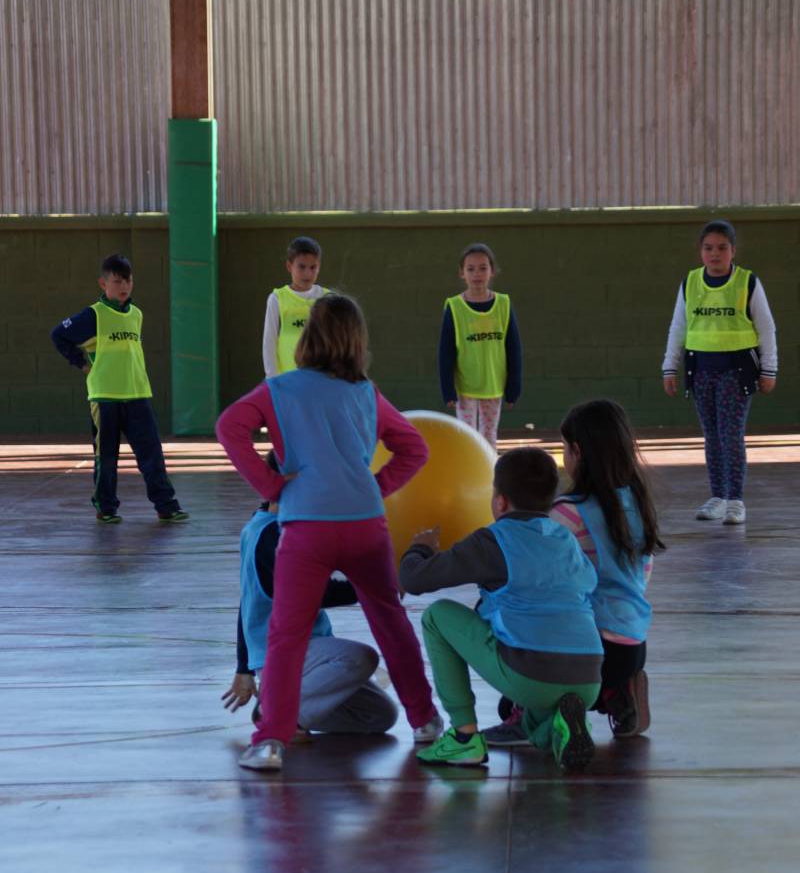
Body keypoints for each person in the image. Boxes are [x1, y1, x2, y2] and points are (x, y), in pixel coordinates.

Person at [216, 291, 442, 771]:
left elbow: (229, 427)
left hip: (306, 525)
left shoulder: (281, 389)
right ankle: (426, 721)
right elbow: (414, 449)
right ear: (358, 341)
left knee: (287, 635)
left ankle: (270, 741)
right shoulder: (366, 393)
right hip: (365, 524)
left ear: (308, 337)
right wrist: (374, 486)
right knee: (391, 622)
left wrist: (270, 484)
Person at [399, 447, 603, 770]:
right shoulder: (565, 539)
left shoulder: (494, 541)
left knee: (437, 616)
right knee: (515, 627)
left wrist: (419, 548)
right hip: (590, 676)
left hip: (532, 675)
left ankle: (464, 738)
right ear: (550, 501)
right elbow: (588, 586)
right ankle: (561, 726)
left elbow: (415, 579)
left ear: (500, 501)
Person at [490, 400, 662, 746]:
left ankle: (542, 715)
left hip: (586, 653)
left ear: (577, 451)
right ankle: (615, 691)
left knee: (514, 693)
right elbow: (643, 573)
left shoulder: (565, 514)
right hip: (631, 647)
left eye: (564, 447)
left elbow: (535, 581)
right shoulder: (635, 503)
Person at [222, 466, 398, 738]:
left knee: (378, 715)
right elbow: (312, 592)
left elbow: (248, 603)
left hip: (303, 654)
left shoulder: (271, 527)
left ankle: (288, 709)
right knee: (360, 657)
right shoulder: (272, 537)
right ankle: (276, 714)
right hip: (284, 653)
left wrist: (243, 667)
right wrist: (375, 586)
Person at [50, 253, 188, 525]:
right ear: (104, 284)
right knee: (107, 456)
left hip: (137, 394)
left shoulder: (136, 314)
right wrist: (80, 362)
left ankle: (166, 506)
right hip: (105, 397)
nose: (123, 286)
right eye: (117, 281)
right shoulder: (94, 315)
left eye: (128, 280)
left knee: (152, 455)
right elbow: (58, 334)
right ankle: (106, 507)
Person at [662, 219, 778, 525]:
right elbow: (678, 326)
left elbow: (766, 328)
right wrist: (669, 367)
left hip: (736, 371)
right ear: (700, 251)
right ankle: (717, 496)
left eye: (722, 248)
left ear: (733, 251)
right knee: (711, 435)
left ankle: (735, 500)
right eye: (709, 248)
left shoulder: (747, 283)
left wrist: (769, 369)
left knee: (731, 434)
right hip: (701, 369)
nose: (715, 254)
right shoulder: (690, 283)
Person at [438, 243, 522, 450]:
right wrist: (447, 388)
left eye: (483, 268)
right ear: (462, 273)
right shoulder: (454, 307)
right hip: (465, 387)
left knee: (489, 437)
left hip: (494, 384)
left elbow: (514, 348)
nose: (477, 273)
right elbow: (445, 351)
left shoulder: (503, 304)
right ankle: (469, 476)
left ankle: (489, 479)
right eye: (471, 268)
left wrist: (514, 386)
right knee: (467, 437)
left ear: (492, 271)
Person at [262, 236, 327, 377]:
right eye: (301, 267)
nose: (307, 273)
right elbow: (269, 343)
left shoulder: (328, 298)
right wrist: (272, 380)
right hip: (287, 382)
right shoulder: (277, 299)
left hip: (321, 382)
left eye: (313, 267)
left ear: (319, 267)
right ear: (289, 266)